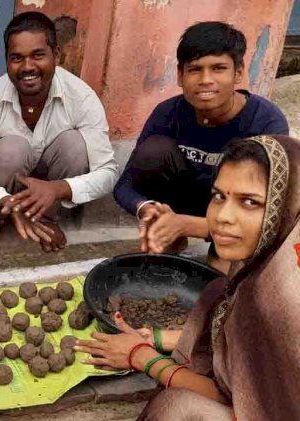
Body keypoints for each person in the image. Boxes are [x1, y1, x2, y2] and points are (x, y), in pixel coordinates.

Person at [76, 135, 300, 420]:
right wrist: (154, 337)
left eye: (250, 202)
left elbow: (245, 403)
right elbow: (241, 343)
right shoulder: (267, 256)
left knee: (179, 408)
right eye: (219, 196)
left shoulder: (282, 300)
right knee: (218, 290)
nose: (222, 217)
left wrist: (144, 358)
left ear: (287, 206)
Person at [113, 22, 289, 266]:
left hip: (233, 220)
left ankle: (216, 245)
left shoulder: (266, 122)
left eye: (218, 68)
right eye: (194, 69)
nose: (205, 80)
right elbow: (124, 186)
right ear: (180, 75)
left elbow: (271, 212)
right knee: (154, 151)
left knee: (221, 283)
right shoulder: (167, 114)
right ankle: (173, 237)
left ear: (238, 73)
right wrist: (147, 209)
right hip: (183, 204)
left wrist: (188, 225)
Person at [0, 12, 118, 253]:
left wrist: (56, 189)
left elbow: (108, 173)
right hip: (10, 186)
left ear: (56, 55)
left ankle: (46, 219)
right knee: (11, 149)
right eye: (17, 58)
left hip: (52, 181)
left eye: (38, 55)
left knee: (74, 145)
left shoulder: (82, 98)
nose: (27, 67)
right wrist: (3, 200)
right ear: (6, 60)